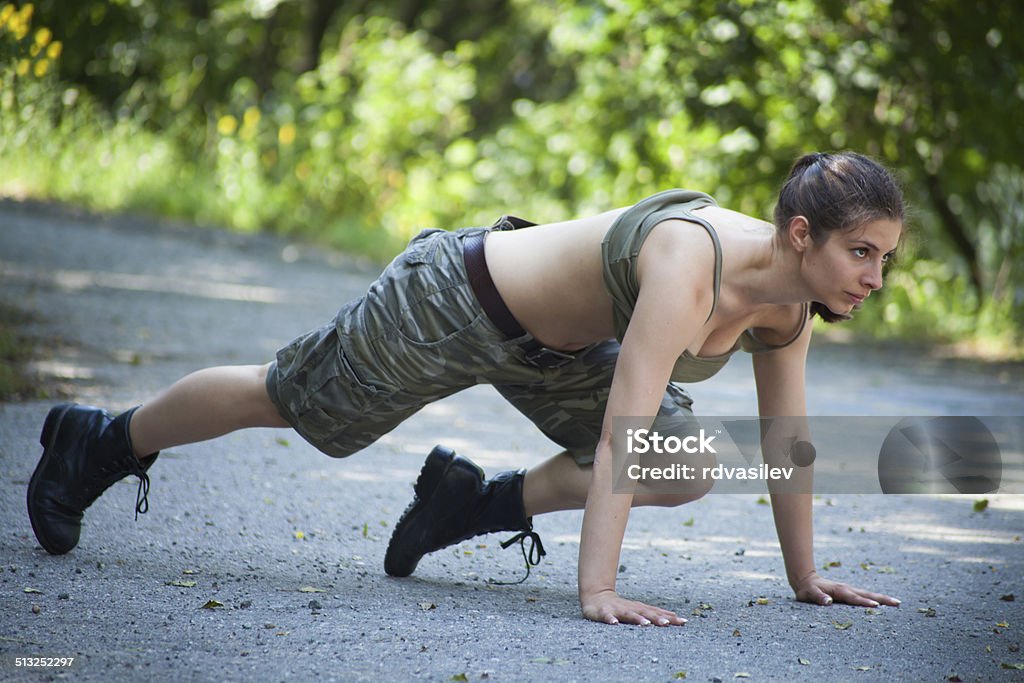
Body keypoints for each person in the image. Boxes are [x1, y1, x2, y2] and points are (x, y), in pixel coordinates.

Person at [28, 151, 904, 626]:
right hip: (459, 298)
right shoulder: (693, 256)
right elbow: (621, 432)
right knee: (291, 401)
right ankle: (101, 440)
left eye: (886, 258)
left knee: (689, 460)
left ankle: (467, 504)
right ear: (800, 232)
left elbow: (788, 445)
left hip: (560, 352)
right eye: (860, 251)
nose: (874, 275)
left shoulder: (787, 311)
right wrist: (595, 590)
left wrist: (805, 576)